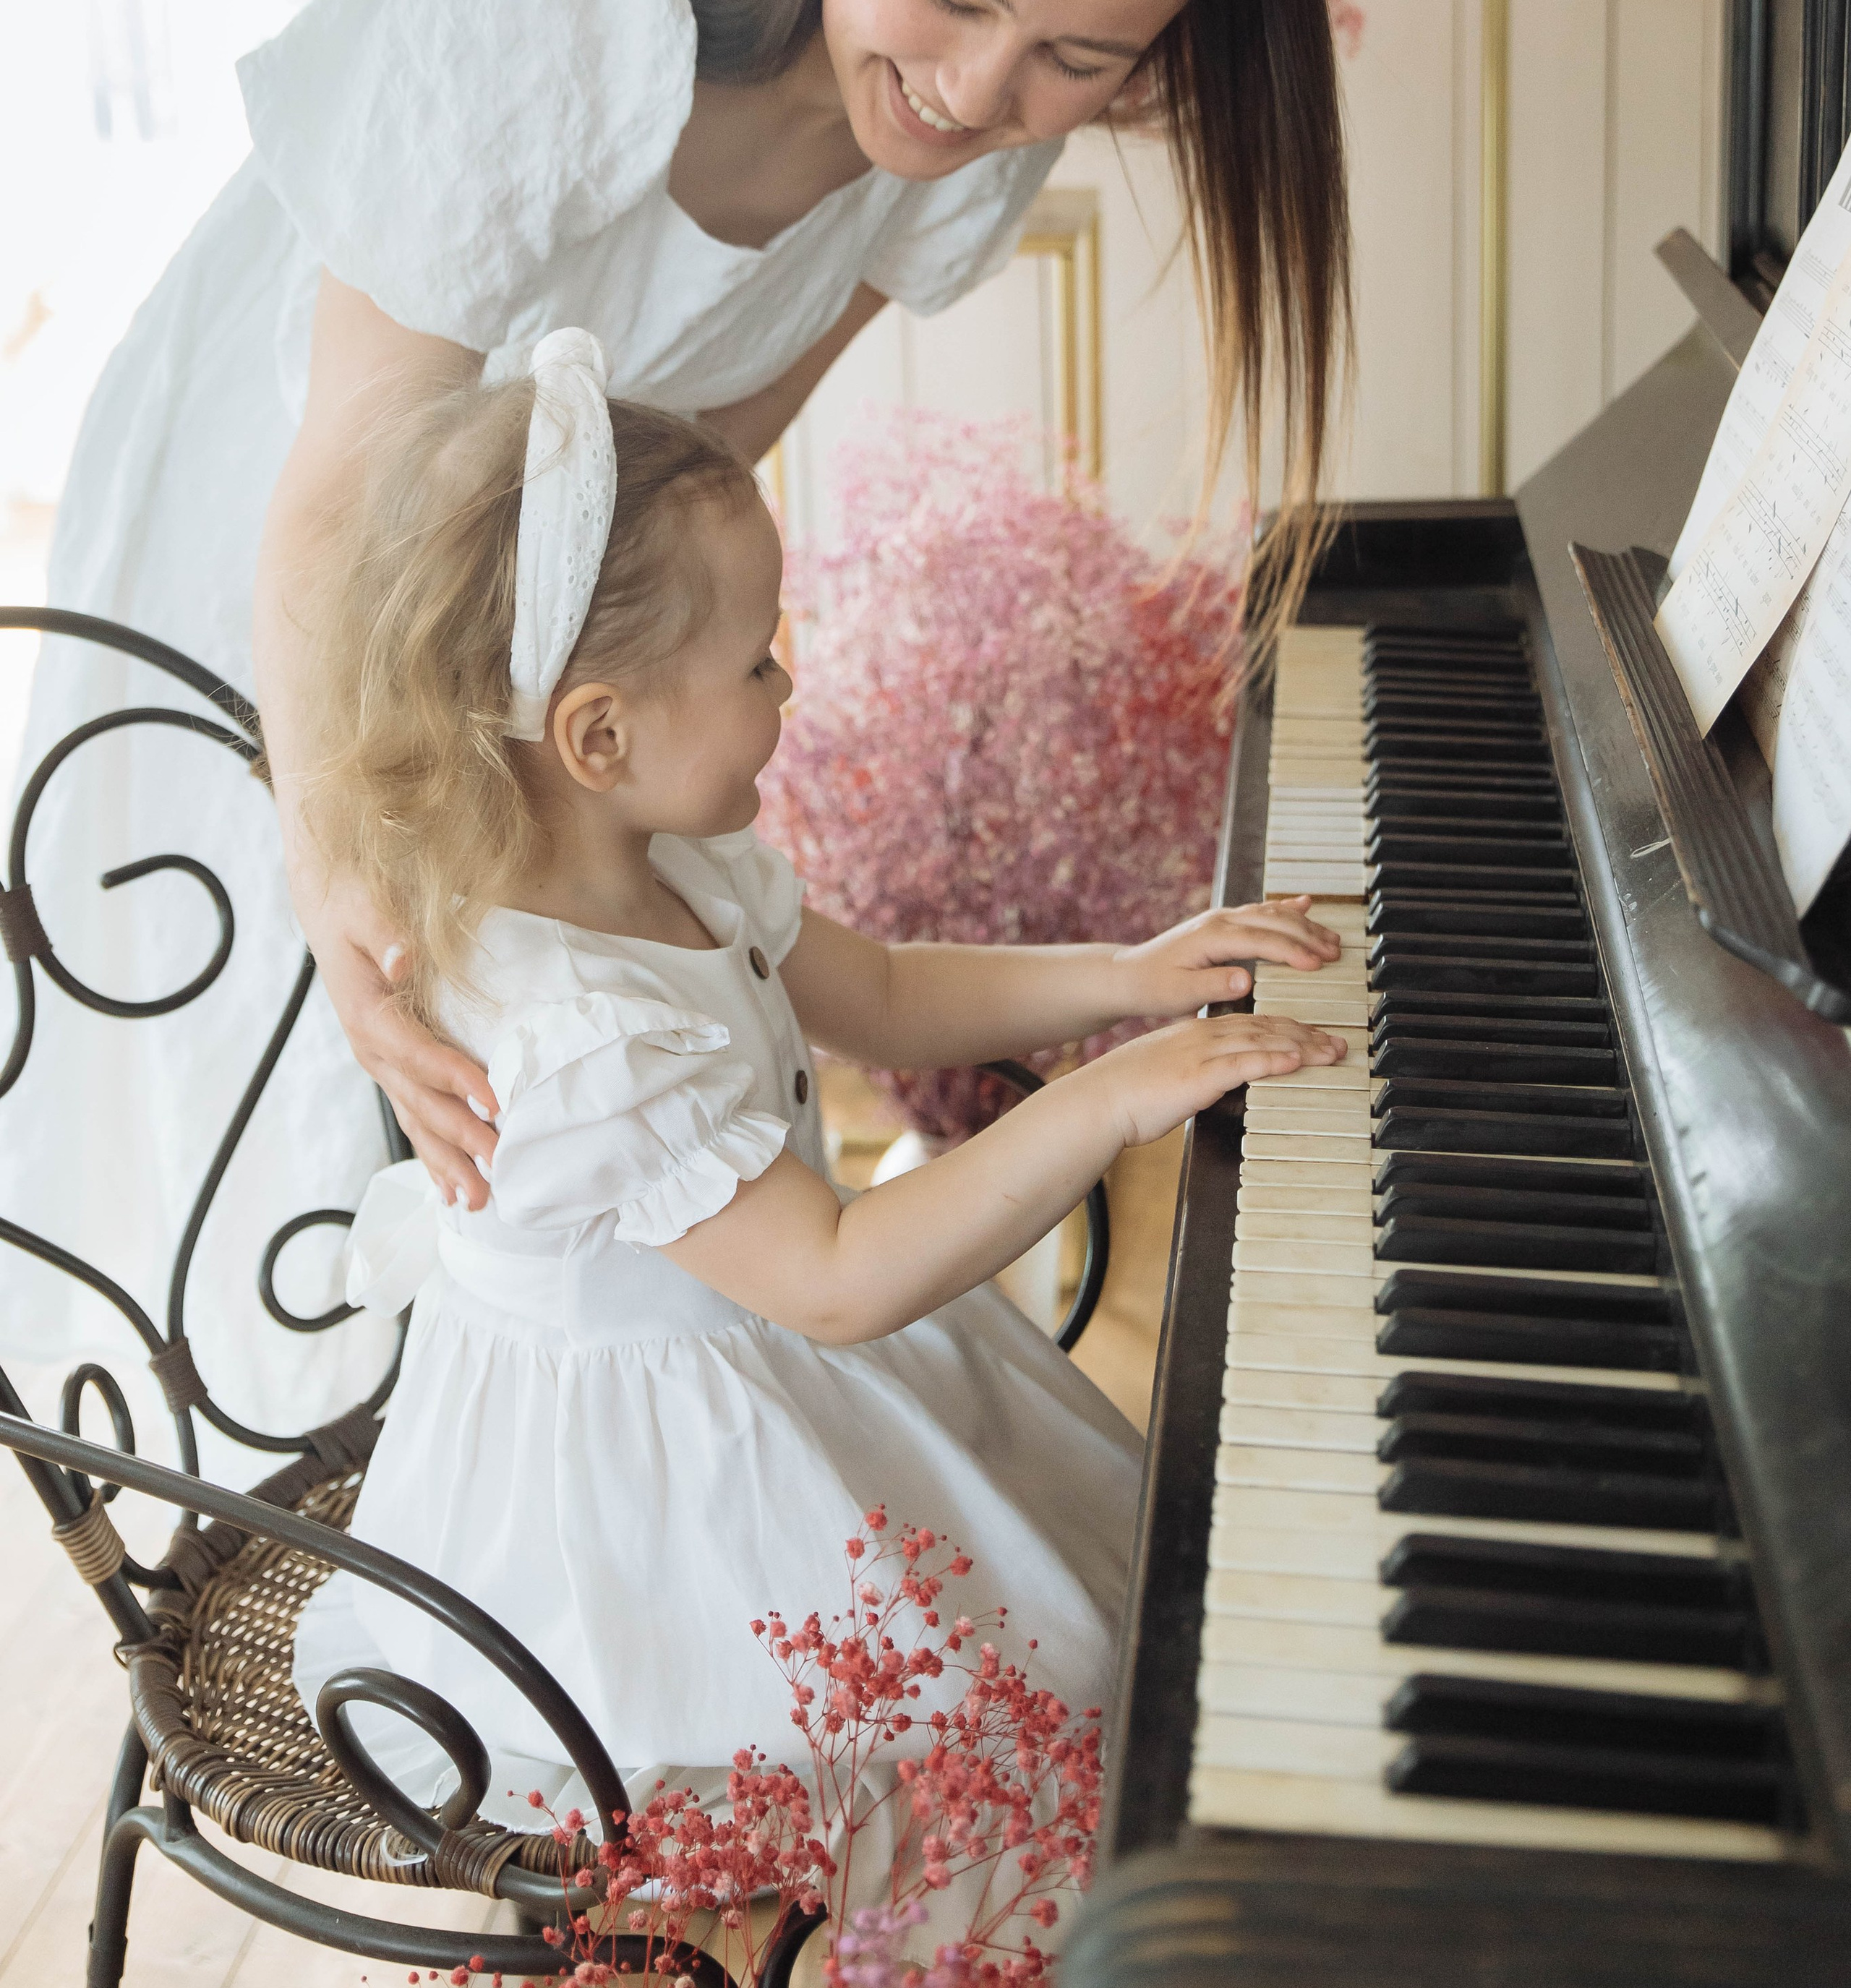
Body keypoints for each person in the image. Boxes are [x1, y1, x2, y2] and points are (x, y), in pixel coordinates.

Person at [7, 0, 1349, 1431]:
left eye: (1078, 56)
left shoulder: (971, 133)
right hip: (285, 533)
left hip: (524, 594)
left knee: (536, 1134)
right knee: (276, 1104)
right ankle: (333, 1531)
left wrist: (628, 805)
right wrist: (348, 886)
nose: (975, 95)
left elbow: (692, 459)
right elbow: (346, 485)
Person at [288, 335, 1344, 1828]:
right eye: (757, 659)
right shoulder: (573, 1038)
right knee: (1038, 1684)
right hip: (650, 1499)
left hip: (763, 1346)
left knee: (1082, 1607)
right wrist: (1111, 1098)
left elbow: (891, 991)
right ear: (601, 734)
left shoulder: (671, 860)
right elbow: (837, 1278)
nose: (790, 678)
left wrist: (1129, 974)